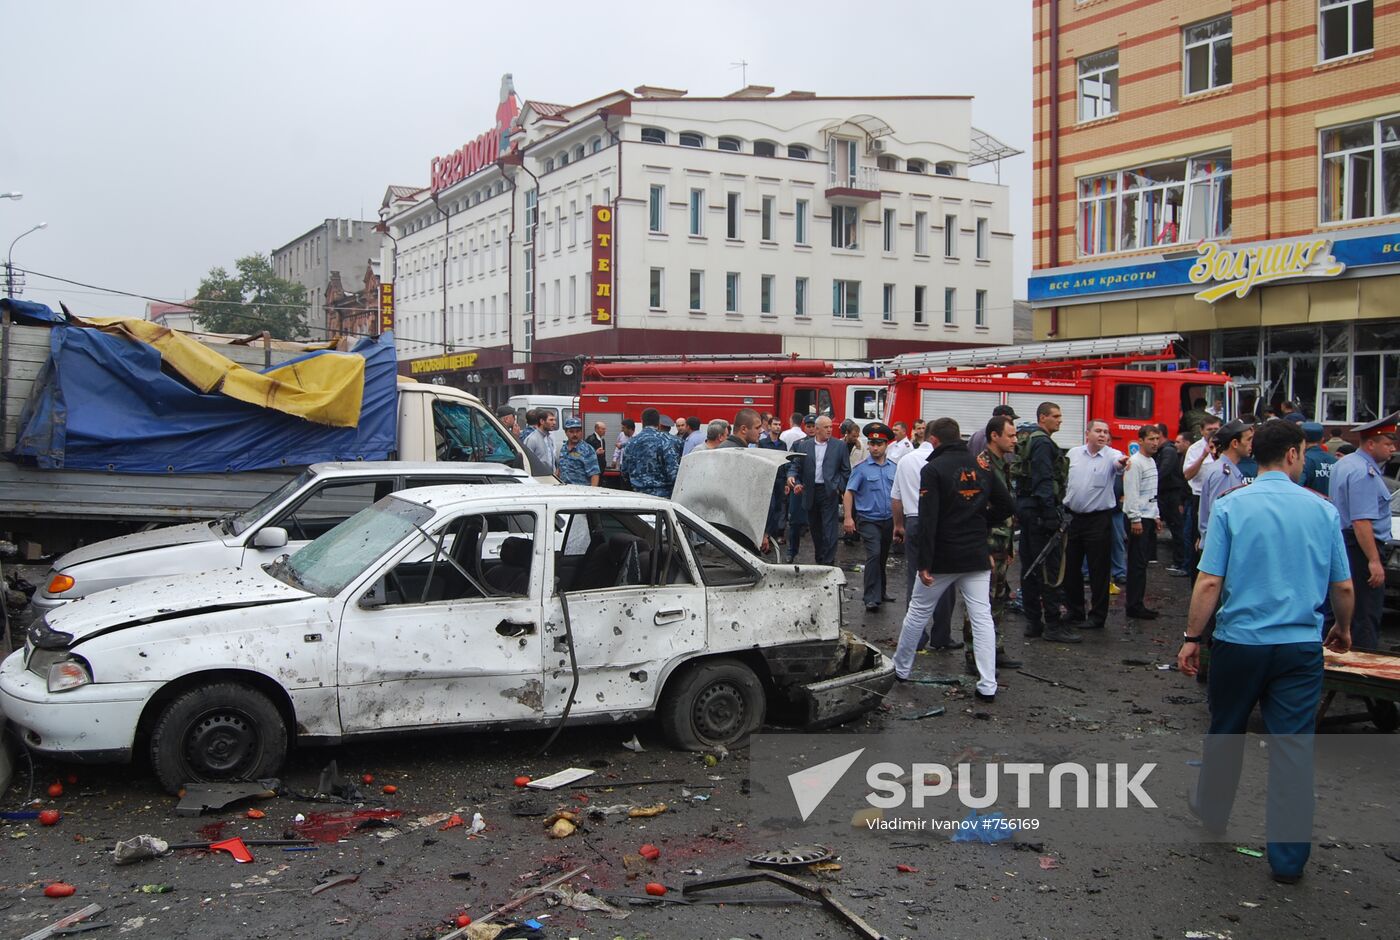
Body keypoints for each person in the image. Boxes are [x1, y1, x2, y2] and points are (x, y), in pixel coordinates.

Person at [1177, 418, 1354, 886]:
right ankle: (1289, 860)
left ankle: (1213, 813)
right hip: (1299, 646)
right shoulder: (1322, 511)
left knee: (1226, 730)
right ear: (1294, 454)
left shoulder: (1232, 506)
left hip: (1240, 643)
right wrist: (1342, 628)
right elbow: (1342, 586)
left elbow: (1209, 581)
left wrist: (1193, 636)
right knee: (1293, 748)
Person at [892, 417, 1016, 701]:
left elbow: (928, 519)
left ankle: (901, 668)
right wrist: (980, 520)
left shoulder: (933, 469)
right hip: (975, 554)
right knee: (982, 617)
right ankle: (987, 684)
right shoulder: (982, 465)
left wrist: (924, 563)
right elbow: (1007, 505)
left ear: (934, 440)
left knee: (918, 612)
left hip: (943, 556)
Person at [1329, 413, 1398, 651]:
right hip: (1360, 547)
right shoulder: (1364, 473)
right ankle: (1362, 667)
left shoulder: (1346, 463)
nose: (1393, 449)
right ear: (1371, 444)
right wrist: (1374, 561)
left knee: (1340, 610)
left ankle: (1334, 662)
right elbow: (1361, 522)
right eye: (1388, 444)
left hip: (1344, 542)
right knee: (1365, 614)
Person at [963, 414, 1023, 675]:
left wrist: (1008, 547)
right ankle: (974, 655)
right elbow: (975, 511)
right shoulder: (982, 466)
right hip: (986, 544)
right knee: (980, 603)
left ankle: (994, 649)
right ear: (994, 436)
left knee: (998, 599)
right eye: (1010, 435)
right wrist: (982, 548)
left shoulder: (1002, 464)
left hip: (1001, 543)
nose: (1015, 440)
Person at [1016, 402, 1079, 643]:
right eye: (1056, 416)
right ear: (1043, 418)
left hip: (1029, 510)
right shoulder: (1042, 443)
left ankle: (1034, 622)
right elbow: (1044, 479)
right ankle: (1052, 623)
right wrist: (1050, 514)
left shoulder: (1033, 439)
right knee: (1049, 570)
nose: (1060, 420)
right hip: (1040, 514)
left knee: (1030, 568)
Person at [1061, 419, 1126, 633]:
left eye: (1106, 432)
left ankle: (1097, 616)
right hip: (1073, 518)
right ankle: (1075, 610)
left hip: (1098, 519)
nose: (1103, 435)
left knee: (1099, 570)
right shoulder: (1073, 454)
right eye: (1098, 431)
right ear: (1087, 433)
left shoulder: (1112, 455)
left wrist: (1124, 462)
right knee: (1071, 567)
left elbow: (1119, 464)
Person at [843, 422, 898, 612]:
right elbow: (849, 492)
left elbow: (898, 494)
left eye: (879, 444)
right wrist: (848, 518)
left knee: (882, 556)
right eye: (872, 444)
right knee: (874, 554)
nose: (875, 448)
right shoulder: (861, 468)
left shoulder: (893, 467)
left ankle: (881, 592)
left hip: (888, 519)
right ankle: (870, 597)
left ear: (886, 445)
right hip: (868, 519)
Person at [787, 415, 850, 566]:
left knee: (830, 528)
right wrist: (792, 477)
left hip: (829, 491)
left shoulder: (839, 446)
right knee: (815, 528)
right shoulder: (804, 446)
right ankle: (820, 557)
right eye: (826, 427)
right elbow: (796, 465)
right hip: (810, 491)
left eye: (830, 427)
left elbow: (846, 470)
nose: (830, 430)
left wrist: (838, 486)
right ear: (817, 429)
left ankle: (828, 561)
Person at [891, 424, 935, 625]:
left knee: (914, 575)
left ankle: (915, 629)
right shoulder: (941, 460)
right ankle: (941, 633)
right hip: (938, 521)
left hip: (913, 519)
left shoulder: (906, 459)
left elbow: (896, 498)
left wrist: (898, 525)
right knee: (944, 576)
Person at [1123, 424, 1164, 620]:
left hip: (1147, 516)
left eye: (1157, 439)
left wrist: (1156, 515)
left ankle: (1137, 602)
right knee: (1137, 564)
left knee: (1143, 562)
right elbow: (1132, 492)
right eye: (1151, 439)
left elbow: (1151, 493)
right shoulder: (1135, 463)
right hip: (1138, 518)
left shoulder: (1151, 461)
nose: (1155, 443)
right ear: (1140, 441)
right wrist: (1135, 519)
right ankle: (1134, 605)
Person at [1183, 416, 1222, 572]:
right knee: (1197, 539)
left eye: (1216, 429)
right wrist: (1203, 456)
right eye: (1209, 429)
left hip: (1220, 497)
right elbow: (1187, 475)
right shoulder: (1195, 449)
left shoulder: (1227, 446)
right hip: (1199, 498)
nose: (1213, 432)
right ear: (1201, 431)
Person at [1156, 422, 1191, 576]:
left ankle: (1180, 562)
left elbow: (1164, 471)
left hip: (1172, 494)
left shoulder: (1168, 451)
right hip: (1171, 494)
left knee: (1178, 529)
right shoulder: (1165, 451)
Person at [620, 408, 681, 498]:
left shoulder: (630, 443)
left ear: (642, 421)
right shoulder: (665, 441)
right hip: (662, 496)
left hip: (638, 495)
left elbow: (624, 471)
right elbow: (673, 472)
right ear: (658, 423)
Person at [557, 417, 601, 486]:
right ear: (566, 432)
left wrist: (593, 491)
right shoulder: (564, 448)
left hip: (580, 491)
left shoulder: (587, 450)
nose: (575, 434)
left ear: (581, 432)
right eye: (571, 431)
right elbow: (560, 469)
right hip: (564, 490)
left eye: (577, 431)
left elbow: (594, 474)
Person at [1300, 422, 1336, 497]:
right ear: (1322, 439)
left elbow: (1298, 487)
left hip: (1308, 502)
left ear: (1302, 440)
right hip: (1331, 503)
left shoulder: (1303, 460)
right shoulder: (1334, 460)